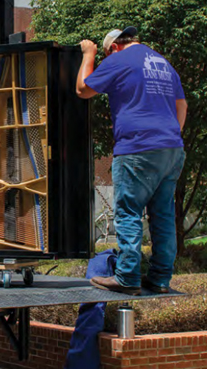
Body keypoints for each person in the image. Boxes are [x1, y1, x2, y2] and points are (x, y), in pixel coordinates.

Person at [75, 27, 187, 295]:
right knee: (162, 216)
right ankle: (160, 279)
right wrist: (169, 135)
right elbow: (181, 105)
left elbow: (83, 89)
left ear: (113, 47)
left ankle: (127, 277)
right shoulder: (162, 62)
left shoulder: (118, 59)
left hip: (137, 149)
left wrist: (88, 55)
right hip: (171, 150)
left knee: (128, 213)